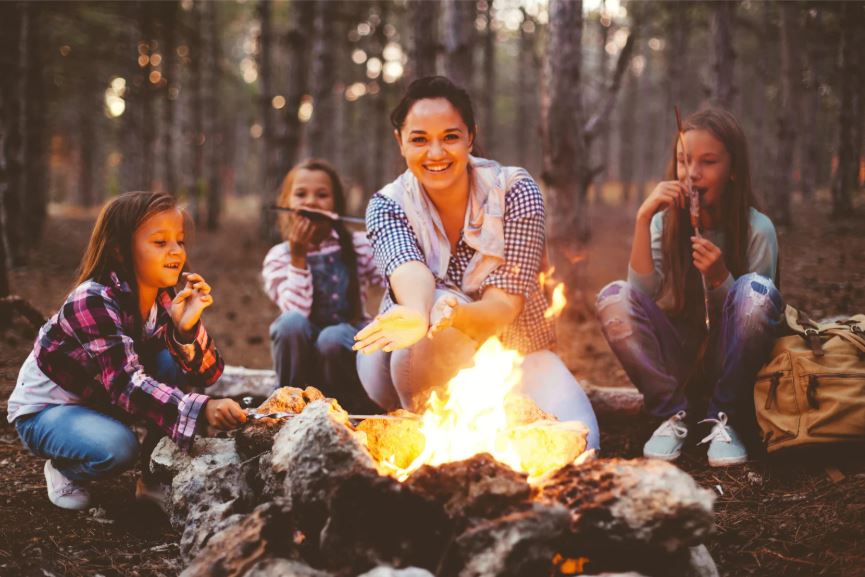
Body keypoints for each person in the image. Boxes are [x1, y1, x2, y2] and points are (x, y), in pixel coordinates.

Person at [353, 76, 600, 451]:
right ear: (400, 141)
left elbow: (503, 307)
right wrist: (419, 312)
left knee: (583, 443)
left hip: (513, 348)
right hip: (402, 360)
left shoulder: (515, 190)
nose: (436, 153)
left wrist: (455, 316)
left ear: (471, 137)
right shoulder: (387, 204)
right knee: (431, 312)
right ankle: (423, 436)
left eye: (450, 137)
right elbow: (409, 269)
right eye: (419, 139)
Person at [7, 191, 247, 510]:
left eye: (179, 241)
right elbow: (125, 384)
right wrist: (202, 410)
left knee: (173, 360)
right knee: (118, 447)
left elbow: (209, 374)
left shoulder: (164, 300)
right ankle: (64, 468)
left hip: (101, 399)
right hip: (48, 412)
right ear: (120, 250)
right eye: (160, 242)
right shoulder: (92, 300)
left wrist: (186, 331)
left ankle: (152, 476)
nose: (176, 250)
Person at [596, 107, 783, 467]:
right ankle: (671, 413)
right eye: (683, 161)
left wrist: (721, 279)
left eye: (708, 162)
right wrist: (643, 219)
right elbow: (638, 297)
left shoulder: (758, 230)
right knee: (613, 297)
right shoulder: (664, 223)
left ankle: (725, 417)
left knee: (754, 291)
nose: (692, 173)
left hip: (734, 368)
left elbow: (757, 324)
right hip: (679, 362)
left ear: (733, 169)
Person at [263, 159, 383, 413]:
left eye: (322, 195)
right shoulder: (279, 257)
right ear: (286, 203)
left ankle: (350, 410)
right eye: (300, 194)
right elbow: (295, 313)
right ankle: (287, 405)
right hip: (303, 357)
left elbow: (393, 278)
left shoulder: (359, 245)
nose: (311, 202)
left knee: (332, 337)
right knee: (289, 324)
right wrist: (298, 257)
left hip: (346, 348)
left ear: (336, 205)